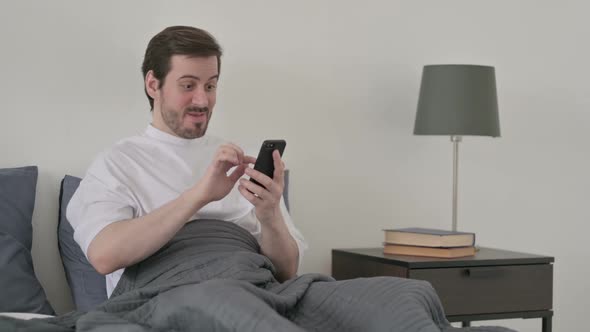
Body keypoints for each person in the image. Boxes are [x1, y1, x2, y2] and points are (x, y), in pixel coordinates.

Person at [67, 26, 307, 298]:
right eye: (188, 85)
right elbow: (104, 255)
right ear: (153, 84)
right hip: (171, 296)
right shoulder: (117, 164)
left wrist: (270, 215)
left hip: (254, 290)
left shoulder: (242, 161)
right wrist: (198, 196)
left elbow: (287, 272)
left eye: (210, 85)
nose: (202, 100)